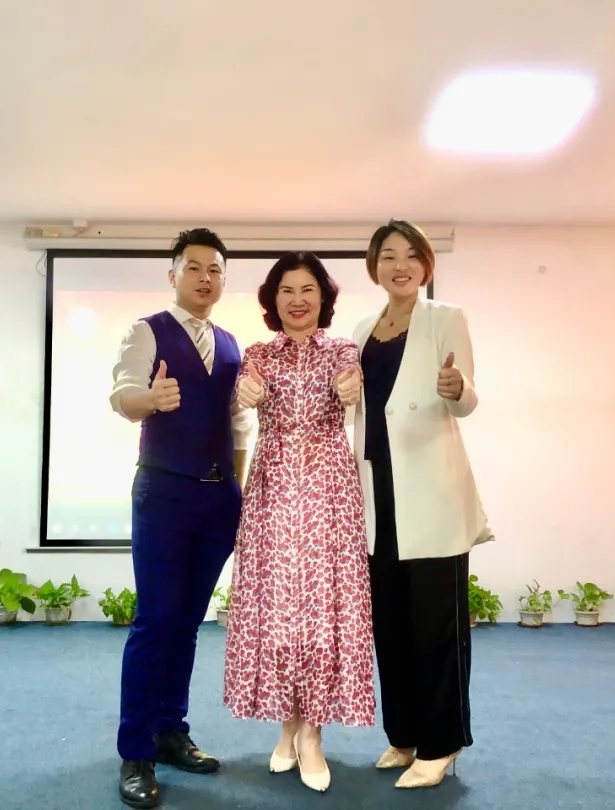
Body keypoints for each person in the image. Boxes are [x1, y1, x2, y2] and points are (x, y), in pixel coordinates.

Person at [109, 227, 253, 809]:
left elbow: (239, 426)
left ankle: (171, 732)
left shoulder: (232, 344)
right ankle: (136, 751)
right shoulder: (147, 330)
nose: (204, 278)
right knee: (156, 621)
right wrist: (151, 399)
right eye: (193, 267)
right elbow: (123, 396)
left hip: (218, 500)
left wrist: (236, 490)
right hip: (164, 493)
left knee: (189, 623)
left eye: (215, 269)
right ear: (173, 275)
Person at [222, 251, 375, 793]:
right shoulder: (258, 353)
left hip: (328, 492)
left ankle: (312, 733)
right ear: (273, 299)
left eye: (308, 289)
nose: (297, 300)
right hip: (273, 490)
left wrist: (351, 389)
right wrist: (245, 391)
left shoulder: (343, 350)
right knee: (278, 611)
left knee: (322, 611)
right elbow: (245, 390)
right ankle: (288, 724)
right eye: (286, 290)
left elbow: (351, 383)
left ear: (323, 297)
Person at [352, 219, 494, 790]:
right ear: (374, 266)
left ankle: (441, 744)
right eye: (389, 255)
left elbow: (467, 395)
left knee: (437, 627)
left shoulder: (445, 317)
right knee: (389, 624)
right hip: (375, 493)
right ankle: (404, 735)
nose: (400, 265)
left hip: (430, 492)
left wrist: (458, 390)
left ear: (426, 264)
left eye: (412, 255)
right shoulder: (362, 329)